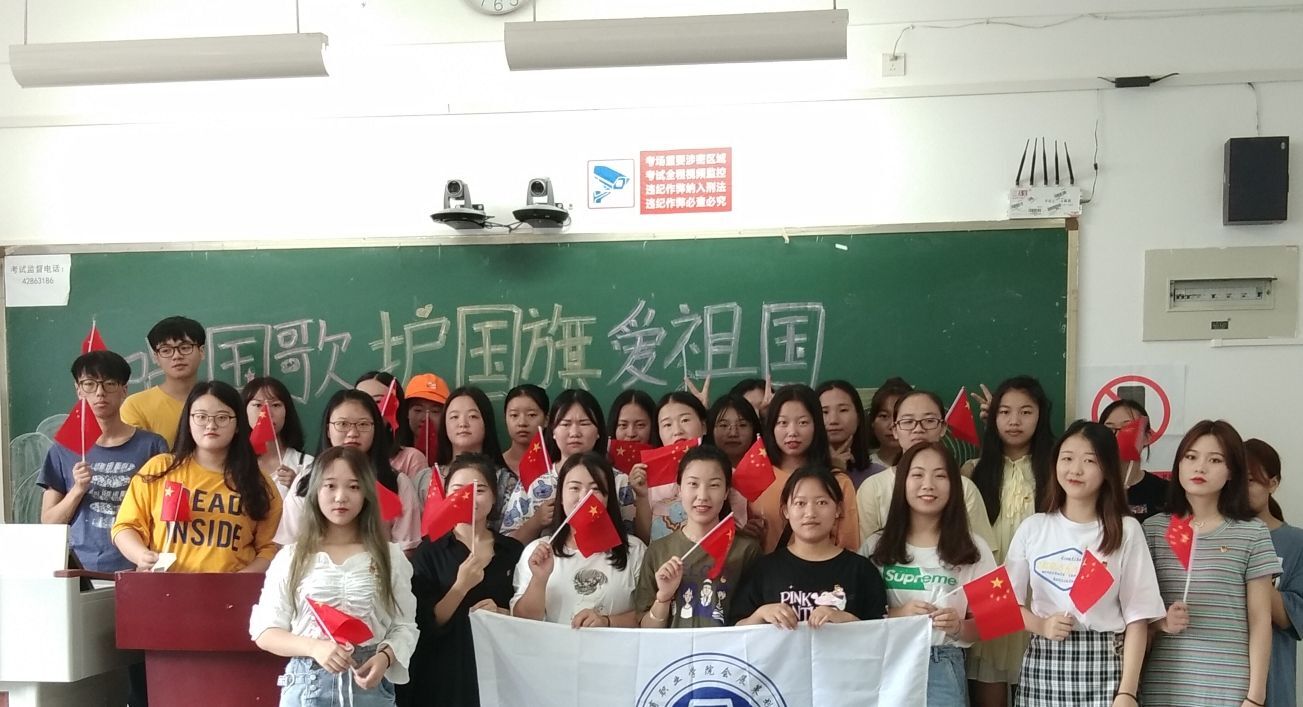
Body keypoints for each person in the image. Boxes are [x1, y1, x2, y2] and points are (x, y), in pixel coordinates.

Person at [1006, 421, 1165, 707]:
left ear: (1107, 469)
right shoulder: (1033, 527)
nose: (1075, 470)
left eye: (1089, 461)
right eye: (1067, 458)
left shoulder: (1126, 530)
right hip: (1045, 665)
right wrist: (1041, 625)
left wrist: (1127, 691)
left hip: (1105, 665)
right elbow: (1005, 604)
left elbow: (1138, 617)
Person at [250, 446, 418, 706]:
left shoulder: (390, 557)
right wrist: (314, 648)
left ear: (366, 493)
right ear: (316, 491)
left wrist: (385, 657)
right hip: (306, 689)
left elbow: (404, 626)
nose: (341, 497)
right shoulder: (292, 557)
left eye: (353, 487)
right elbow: (265, 631)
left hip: (370, 690)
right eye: (330, 486)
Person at [1142, 420, 1279, 707]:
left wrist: (1255, 696)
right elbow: (1136, 614)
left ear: (1232, 472)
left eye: (1215, 460)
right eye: (1191, 457)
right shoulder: (1153, 530)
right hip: (1164, 686)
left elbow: (1260, 620)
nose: (1200, 467)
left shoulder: (1252, 533)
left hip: (1229, 689)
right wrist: (1162, 622)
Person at [862, 442, 996, 706]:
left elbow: (995, 621)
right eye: (917, 475)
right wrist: (898, 614)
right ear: (902, 482)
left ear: (954, 485)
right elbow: (858, 616)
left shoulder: (974, 547)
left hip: (943, 664)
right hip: (886, 663)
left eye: (940, 475)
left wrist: (958, 627)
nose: (928, 485)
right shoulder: (874, 546)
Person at [112, 381, 281, 573]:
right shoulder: (160, 469)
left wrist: (240, 580)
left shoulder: (259, 482)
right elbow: (125, 527)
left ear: (237, 425)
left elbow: (269, 548)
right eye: (201, 416)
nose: (211, 425)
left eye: (222, 417)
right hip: (166, 586)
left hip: (232, 589)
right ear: (189, 421)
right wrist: (141, 555)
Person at [402, 454, 522, 707]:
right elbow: (423, 622)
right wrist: (460, 586)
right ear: (446, 496)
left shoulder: (512, 551)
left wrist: (503, 613)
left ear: (494, 496)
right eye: (459, 490)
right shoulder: (430, 551)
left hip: (500, 669)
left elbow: (527, 618)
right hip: (446, 670)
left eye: (479, 490)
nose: (469, 497)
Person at [964, 376, 1055, 706]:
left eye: (1025, 412)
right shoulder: (973, 470)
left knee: (1037, 676)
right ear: (993, 417)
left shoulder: (1057, 467)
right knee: (990, 668)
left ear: (1041, 416)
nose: (1014, 421)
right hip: (989, 586)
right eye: (1004, 412)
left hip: (1040, 588)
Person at [39, 350, 169, 572]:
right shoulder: (63, 450)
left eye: (109, 384)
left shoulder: (152, 446)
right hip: (80, 570)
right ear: (79, 390)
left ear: (124, 390)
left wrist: (149, 559)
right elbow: (49, 523)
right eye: (89, 384)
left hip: (138, 567)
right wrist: (77, 490)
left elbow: (165, 515)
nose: (100, 393)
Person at [730, 466, 887, 627]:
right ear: (786, 511)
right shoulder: (763, 570)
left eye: (821, 502)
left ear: (838, 509)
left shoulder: (861, 570)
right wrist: (760, 614)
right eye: (800, 503)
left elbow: (882, 632)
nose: (810, 513)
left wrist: (848, 621)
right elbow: (734, 631)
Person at [511, 452, 646, 627]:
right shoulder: (537, 551)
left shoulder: (635, 550)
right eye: (574, 488)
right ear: (560, 496)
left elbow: (647, 615)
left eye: (595, 489)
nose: (584, 498)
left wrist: (606, 622)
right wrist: (539, 578)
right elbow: (522, 621)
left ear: (608, 497)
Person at [277, 391, 422, 553]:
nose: (353, 433)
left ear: (376, 429)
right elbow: (288, 544)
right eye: (342, 424)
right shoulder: (306, 481)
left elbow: (407, 549)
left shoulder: (396, 483)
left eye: (363, 424)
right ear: (328, 430)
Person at [499, 389, 650, 544]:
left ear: (598, 431)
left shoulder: (619, 481)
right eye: (565, 424)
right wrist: (536, 522)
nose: (574, 433)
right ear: (553, 431)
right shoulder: (534, 481)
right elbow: (506, 545)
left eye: (584, 423)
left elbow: (640, 543)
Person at [636, 445, 762, 628]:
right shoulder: (658, 551)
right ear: (680, 489)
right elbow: (645, 630)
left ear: (726, 492)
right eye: (693, 484)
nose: (702, 496)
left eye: (714, 485)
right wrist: (663, 597)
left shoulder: (746, 550)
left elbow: (755, 625)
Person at [856, 390, 995, 548]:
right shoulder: (873, 488)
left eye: (929, 420)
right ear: (895, 430)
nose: (918, 429)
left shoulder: (964, 488)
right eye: (908, 421)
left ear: (943, 427)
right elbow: (867, 552)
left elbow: (983, 551)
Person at [750, 385, 859, 553]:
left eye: (803, 422)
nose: (792, 432)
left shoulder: (838, 482)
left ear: (817, 426)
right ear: (772, 427)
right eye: (783, 423)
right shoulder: (755, 475)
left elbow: (849, 548)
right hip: (766, 568)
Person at [1244, 438, 1303, 707]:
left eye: (1250, 480)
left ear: (1273, 483)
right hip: (1219, 681)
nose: (1240, 490)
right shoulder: (1213, 535)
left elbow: (1294, 617)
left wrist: (1253, 569)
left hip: (1273, 684)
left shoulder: (1296, 542)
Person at [644, 392, 748, 541]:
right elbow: (643, 536)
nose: (677, 431)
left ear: (704, 426)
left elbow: (738, 532)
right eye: (667, 424)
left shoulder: (730, 475)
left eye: (685, 420)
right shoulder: (648, 480)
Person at [428, 387, 515, 531]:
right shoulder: (427, 478)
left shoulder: (505, 481)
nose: (463, 423)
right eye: (454, 417)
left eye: (473, 416)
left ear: (486, 422)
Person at [121, 316, 205, 447]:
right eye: (166, 350)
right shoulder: (135, 406)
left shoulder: (220, 402)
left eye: (185, 347)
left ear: (201, 352)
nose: (177, 356)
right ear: (156, 357)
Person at [241, 377, 314, 497]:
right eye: (258, 405)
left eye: (275, 405)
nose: (267, 412)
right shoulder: (233, 464)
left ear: (287, 411)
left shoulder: (306, 465)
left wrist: (298, 487)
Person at [1098, 398, 1169, 522]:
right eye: (1109, 430)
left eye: (1128, 428)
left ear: (1147, 437)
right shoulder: (1092, 487)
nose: (1118, 436)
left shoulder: (1165, 492)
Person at [353, 371, 429, 477]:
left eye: (378, 401)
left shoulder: (411, 458)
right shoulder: (340, 456)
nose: (368, 408)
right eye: (360, 402)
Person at [816, 380, 872, 487]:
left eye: (843, 410)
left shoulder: (878, 476)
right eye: (824, 412)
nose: (833, 420)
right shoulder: (800, 473)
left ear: (858, 417)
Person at [865, 377, 912, 476]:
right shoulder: (862, 467)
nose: (892, 425)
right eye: (884, 416)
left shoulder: (926, 466)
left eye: (902, 417)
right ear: (872, 421)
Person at [500, 384, 549, 477]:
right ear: (505, 419)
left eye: (531, 415)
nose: (522, 423)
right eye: (514, 415)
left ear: (546, 420)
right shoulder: (495, 467)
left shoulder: (555, 466)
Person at [402, 372, 451, 459]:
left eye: (435, 411)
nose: (425, 418)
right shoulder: (395, 457)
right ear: (406, 412)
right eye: (418, 410)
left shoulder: (454, 457)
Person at [706, 393, 762, 468]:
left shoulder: (771, 471)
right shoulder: (698, 470)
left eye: (742, 425)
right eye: (724, 425)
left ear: (754, 429)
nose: (733, 434)